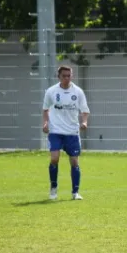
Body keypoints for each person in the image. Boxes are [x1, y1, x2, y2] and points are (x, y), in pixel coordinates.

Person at [42, 65, 90, 200]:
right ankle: (53, 188)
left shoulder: (78, 92)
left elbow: (85, 110)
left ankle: (75, 193)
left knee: (74, 162)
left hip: (72, 132)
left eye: (69, 76)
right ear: (59, 77)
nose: (67, 78)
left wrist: (85, 122)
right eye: (64, 76)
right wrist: (45, 123)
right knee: (54, 158)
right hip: (55, 131)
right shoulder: (51, 91)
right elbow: (45, 109)